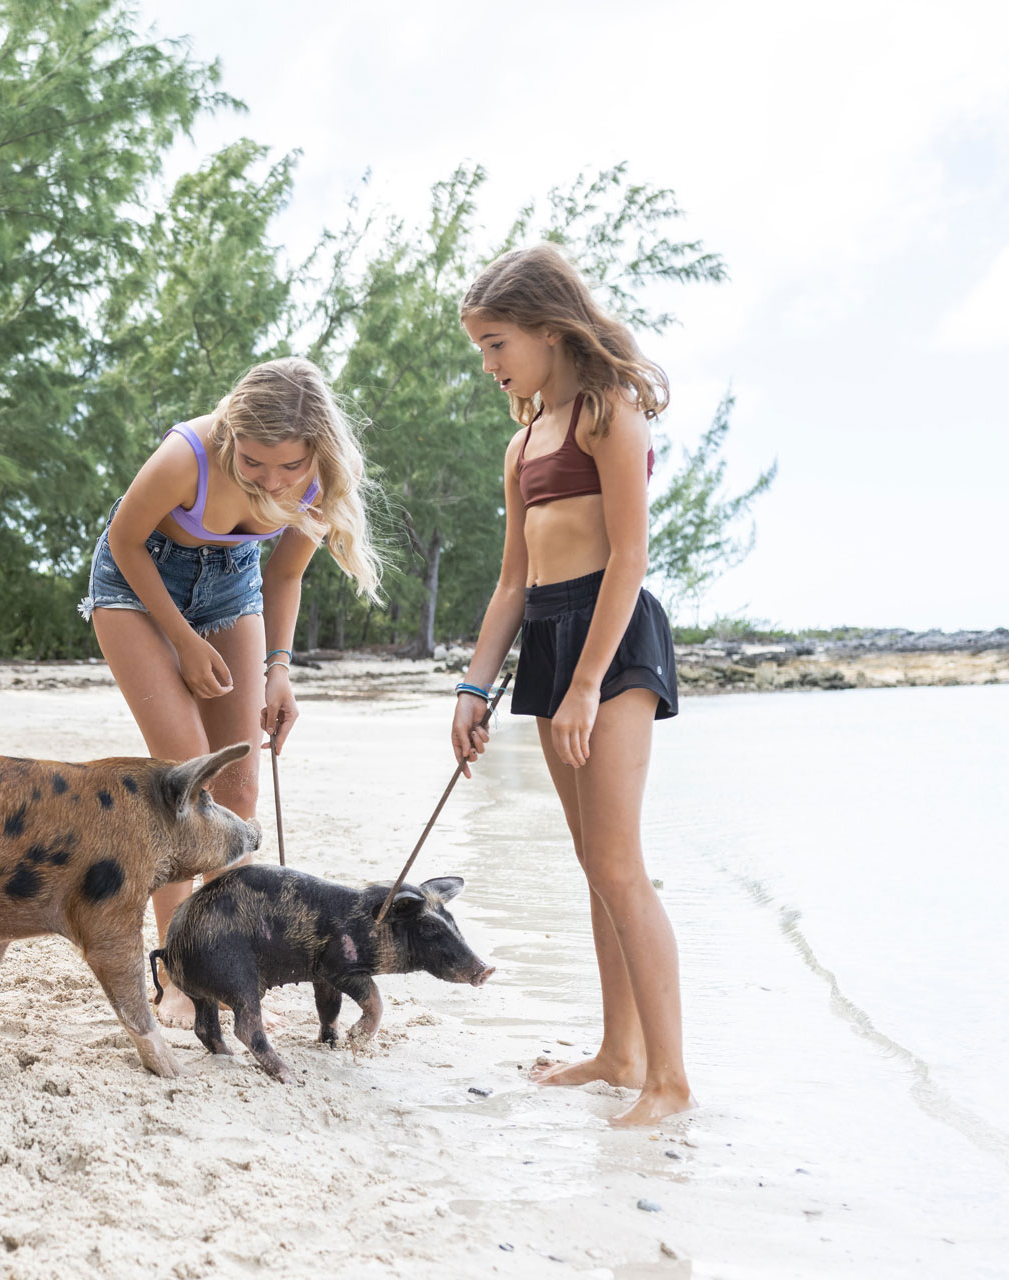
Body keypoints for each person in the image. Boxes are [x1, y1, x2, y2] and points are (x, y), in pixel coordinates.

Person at [451, 242, 694, 1126]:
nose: (489, 363)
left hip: (612, 637)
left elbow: (630, 557)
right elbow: (513, 582)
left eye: (497, 343)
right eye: (481, 346)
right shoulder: (522, 445)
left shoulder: (607, 415)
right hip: (551, 635)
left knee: (621, 865)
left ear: (551, 332)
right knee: (596, 867)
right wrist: (472, 692)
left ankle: (670, 1080)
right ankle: (619, 1052)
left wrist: (589, 681)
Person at [80, 357, 383, 1026]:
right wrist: (184, 641)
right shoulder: (184, 456)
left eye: (289, 468)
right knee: (185, 784)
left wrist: (279, 666)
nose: (272, 480)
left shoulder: (319, 483)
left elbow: (283, 578)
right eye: (254, 464)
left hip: (234, 587)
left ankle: (229, 964)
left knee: (240, 789)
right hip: (138, 585)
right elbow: (124, 542)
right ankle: (178, 975)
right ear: (229, 440)